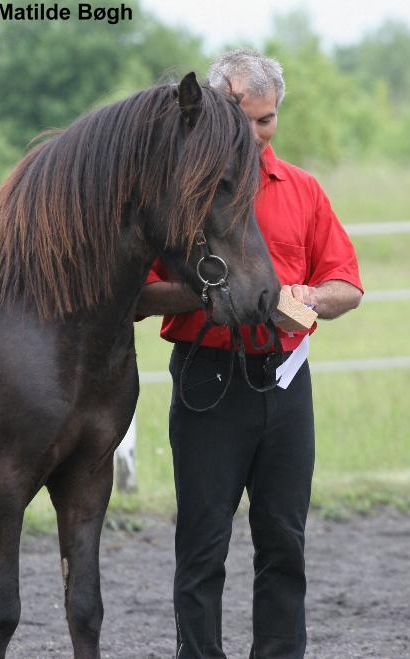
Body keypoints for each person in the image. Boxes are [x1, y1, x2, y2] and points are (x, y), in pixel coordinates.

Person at [136, 49, 363, 659]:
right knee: (204, 545)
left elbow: (347, 284)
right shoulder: (184, 197)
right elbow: (135, 296)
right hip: (208, 382)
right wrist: (213, 290)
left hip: (287, 383)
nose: (260, 134)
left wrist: (307, 295)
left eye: (269, 120)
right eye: (249, 120)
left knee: (284, 541)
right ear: (216, 112)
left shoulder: (303, 190)